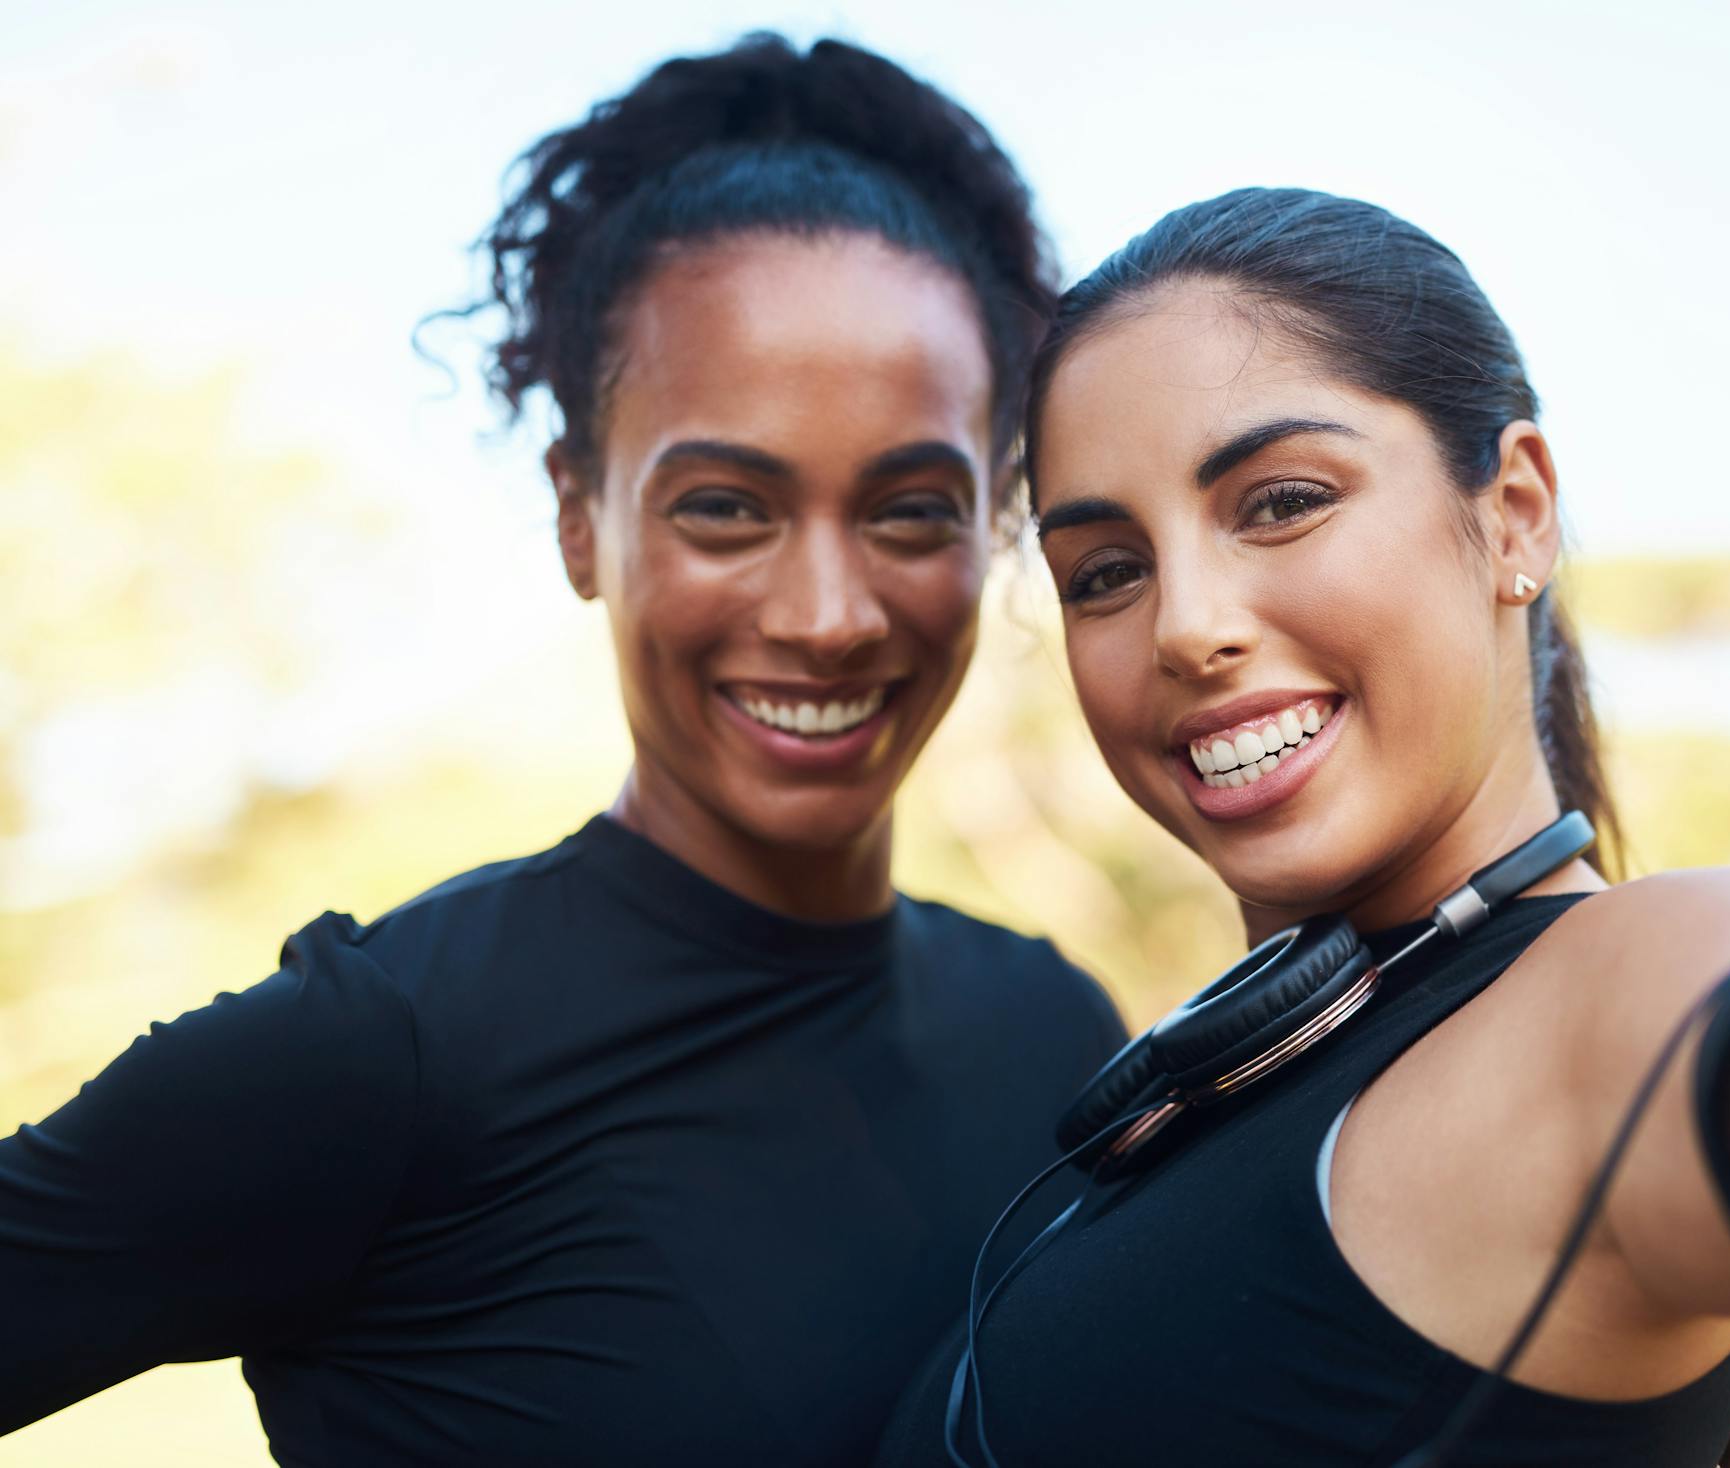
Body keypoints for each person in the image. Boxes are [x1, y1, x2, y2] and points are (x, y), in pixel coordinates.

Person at [875, 187, 1730, 1467]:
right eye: (1107, 571)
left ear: (1514, 513)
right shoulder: (1232, 1075)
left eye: (1282, 501)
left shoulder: (1620, 1003)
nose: (1185, 624)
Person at [0, 36, 1129, 1467]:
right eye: (726, 507)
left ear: (995, 526)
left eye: (911, 510)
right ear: (580, 515)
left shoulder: (1054, 1033)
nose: (831, 616)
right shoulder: (374, 1059)